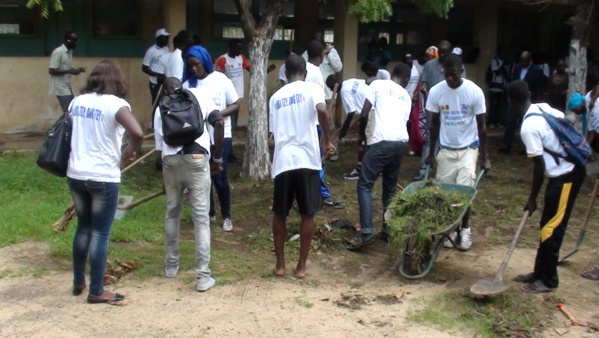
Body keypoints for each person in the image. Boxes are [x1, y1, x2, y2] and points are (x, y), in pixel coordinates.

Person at [67, 60, 144, 304]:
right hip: (103, 177)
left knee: (83, 228)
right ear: (117, 81)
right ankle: (97, 290)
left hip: (76, 174)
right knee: (100, 233)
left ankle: (79, 281)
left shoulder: (76, 102)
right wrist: (130, 150)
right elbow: (138, 132)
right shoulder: (116, 105)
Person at [507, 80, 586, 293]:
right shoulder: (543, 107)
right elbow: (565, 124)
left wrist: (532, 198)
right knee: (546, 225)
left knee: (552, 228)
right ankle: (539, 272)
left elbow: (539, 166)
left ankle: (549, 280)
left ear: (511, 102)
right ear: (529, 94)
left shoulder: (528, 128)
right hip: (563, 175)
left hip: (567, 177)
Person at [154, 77, 224, 292]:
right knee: (201, 218)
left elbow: (160, 148)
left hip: (172, 162)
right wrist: (218, 158)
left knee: (172, 213)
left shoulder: (160, 108)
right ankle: (203, 277)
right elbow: (218, 122)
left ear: (164, 91)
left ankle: (171, 266)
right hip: (197, 159)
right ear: (181, 87)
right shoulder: (200, 96)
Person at [269, 54, 335, 278]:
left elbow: (274, 131)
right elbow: (323, 111)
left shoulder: (275, 97)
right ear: (305, 73)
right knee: (307, 214)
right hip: (307, 159)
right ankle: (301, 267)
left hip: (283, 161)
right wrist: (327, 141)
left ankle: (280, 265)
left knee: (280, 213)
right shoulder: (312, 88)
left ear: (285, 74)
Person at [425, 54, 491, 251]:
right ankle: (451, 229)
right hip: (446, 150)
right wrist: (431, 153)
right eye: (446, 75)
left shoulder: (474, 92)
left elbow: (482, 127)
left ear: (461, 71)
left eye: (453, 75)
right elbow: (434, 124)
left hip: (468, 149)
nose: (450, 79)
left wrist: (485, 157)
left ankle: (465, 229)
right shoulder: (437, 92)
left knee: (464, 192)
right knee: (446, 195)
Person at [347, 63, 412, 250]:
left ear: (393, 75)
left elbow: (365, 112)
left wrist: (362, 135)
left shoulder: (378, 84)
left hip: (381, 142)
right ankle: (388, 229)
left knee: (364, 185)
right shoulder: (406, 96)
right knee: (390, 189)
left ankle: (367, 232)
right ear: (406, 80)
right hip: (400, 144)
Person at [183, 45, 240, 232]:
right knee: (202, 176)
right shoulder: (188, 85)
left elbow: (235, 104)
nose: (194, 69)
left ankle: (227, 216)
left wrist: (216, 114)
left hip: (222, 135)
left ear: (205, 62)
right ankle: (209, 212)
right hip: (199, 139)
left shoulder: (220, 79)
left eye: (197, 65)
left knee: (220, 176)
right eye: (190, 66)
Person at [216, 39, 275, 162]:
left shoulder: (241, 58)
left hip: (236, 98)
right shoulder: (223, 60)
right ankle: (225, 153)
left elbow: (251, 70)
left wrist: (266, 71)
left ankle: (228, 152)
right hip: (226, 98)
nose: (240, 51)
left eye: (241, 48)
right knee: (228, 126)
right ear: (231, 47)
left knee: (232, 125)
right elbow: (218, 77)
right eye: (238, 48)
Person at [304, 40, 344, 209]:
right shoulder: (315, 72)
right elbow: (320, 106)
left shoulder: (302, 69)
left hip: (304, 123)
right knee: (321, 159)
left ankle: (309, 193)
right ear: (321, 55)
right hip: (315, 123)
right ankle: (322, 196)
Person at [414, 40, 453, 181]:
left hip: (450, 110)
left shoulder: (455, 64)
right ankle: (424, 170)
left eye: (445, 52)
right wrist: (424, 86)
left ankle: (445, 172)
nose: (442, 55)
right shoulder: (430, 65)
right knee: (430, 138)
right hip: (433, 108)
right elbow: (424, 80)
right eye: (440, 52)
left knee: (447, 140)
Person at [499, 50, 546, 153]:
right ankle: (506, 145)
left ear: (530, 60)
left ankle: (525, 148)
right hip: (515, 100)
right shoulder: (517, 68)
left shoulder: (536, 70)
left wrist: (536, 102)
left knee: (525, 124)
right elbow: (513, 81)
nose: (522, 63)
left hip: (528, 102)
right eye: (521, 61)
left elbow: (539, 88)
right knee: (510, 122)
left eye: (525, 61)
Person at [325, 75, 371, 180]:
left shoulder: (344, 91)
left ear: (332, 88)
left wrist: (342, 133)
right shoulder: (350, 81)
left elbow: (351, 113)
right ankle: (373, 167)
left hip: (370, 111)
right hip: (371, 107)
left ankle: (360, 170)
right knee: (369, 141)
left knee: (363, 142)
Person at [49, 31, 85, 113]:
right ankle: (63, 126)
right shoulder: (58, 52)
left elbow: (66, 68)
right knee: (68, 112)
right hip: (60, 88)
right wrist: (69, 71)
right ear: (68, 40)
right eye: (74, 41)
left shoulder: (69, 52)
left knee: (70, 110)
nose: (76, 43)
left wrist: (76, 70)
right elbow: (52, 70)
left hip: (67, 86)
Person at [142, 28, 170, 105]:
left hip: (165, 80)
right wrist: (157, 75)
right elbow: (144, 68)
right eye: (164, 38)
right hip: (155, 82)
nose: (166, 40)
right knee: (156, 103)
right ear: (158, 38)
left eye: (167, 37)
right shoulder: (151, 51)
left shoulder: (166, 49)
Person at [486, 45, 508, 128]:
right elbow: (497, 72)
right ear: (498, 52)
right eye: (502, 51)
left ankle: (497, 122)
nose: (503, 53)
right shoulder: (494, 61)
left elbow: (505, 75)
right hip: (494, 86)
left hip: (501, 86)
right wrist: (503, 65)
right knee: (493, 105)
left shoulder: (503, 62)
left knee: (499, 106)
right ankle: (490, 122)